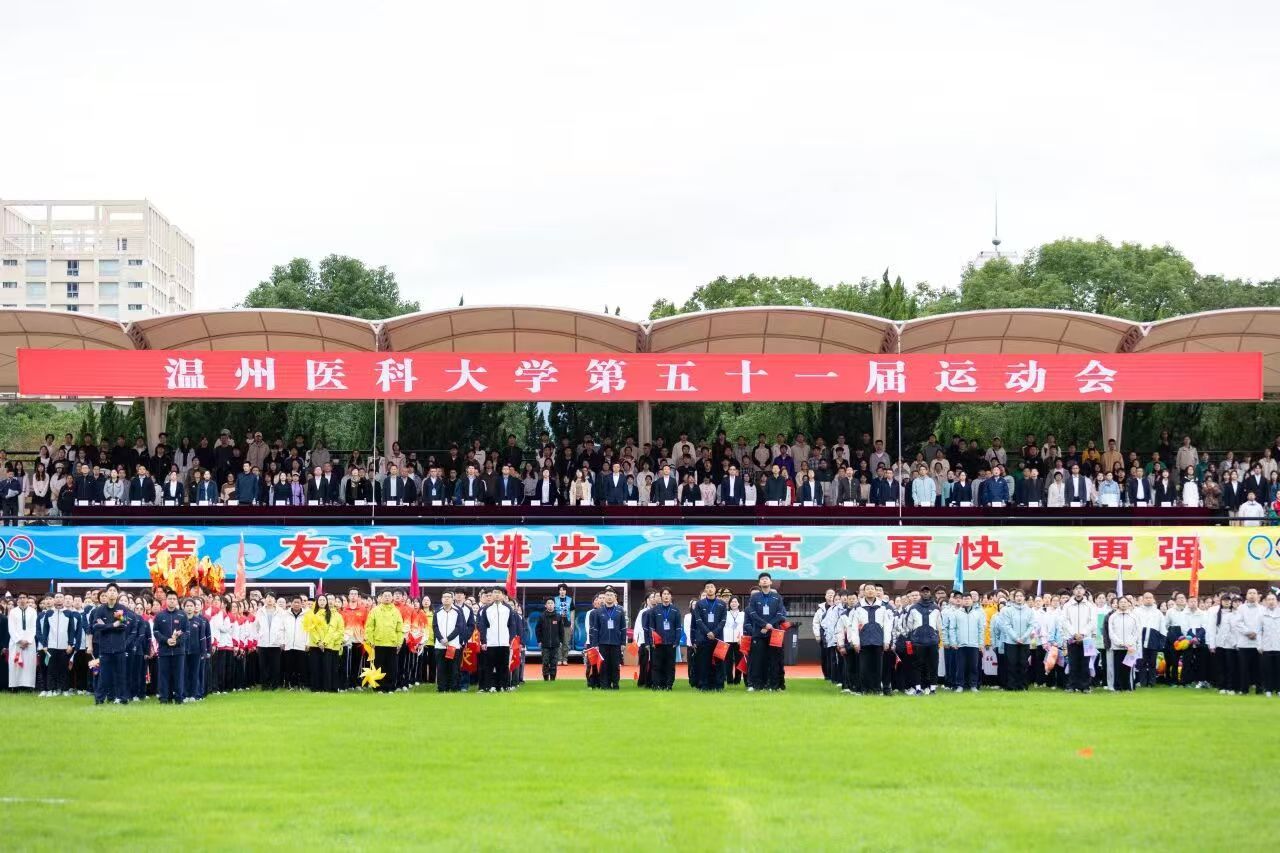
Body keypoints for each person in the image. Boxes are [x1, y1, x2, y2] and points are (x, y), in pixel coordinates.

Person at [88, 583, 134, 704]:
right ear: (106, 593)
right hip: (104, 648)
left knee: (121, 675)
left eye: (114, 591)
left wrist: (106, 626)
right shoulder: (100, 610)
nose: (112, 592)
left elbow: (123, 626)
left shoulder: (121, 609)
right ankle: (99, 699)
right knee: (103, 676)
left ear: (117, 594)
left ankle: (123, 698)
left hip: (119, 648)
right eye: (110, 590)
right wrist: (113, 625)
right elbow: (96, 626)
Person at [745, 572, 787, 691]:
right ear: (759, 583)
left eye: (766, 579)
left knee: (774, 660)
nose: (764, 580)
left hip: (773, 633)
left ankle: (773, 685)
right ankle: (756, 685)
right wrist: (764, 624)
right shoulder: (754, 597)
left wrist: (769, 625)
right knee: (757, 660)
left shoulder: (777, 597)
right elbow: (752, 613)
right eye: (762, 579)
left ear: (770, 582)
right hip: (759, 633)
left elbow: (780, 614)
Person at [35, 592, 82, 697]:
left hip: (64, 646)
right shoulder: (49, 613)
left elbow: (71, 630)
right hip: (51, 646)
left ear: (63, 599)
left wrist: (70, 644)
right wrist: (45, 644)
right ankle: (51, 689)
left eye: (61, 597)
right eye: (57, 597)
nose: (59, 599)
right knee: (51, 668)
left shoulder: (69, 613)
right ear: (54, 599)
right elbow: (45, 630)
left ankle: (64, 689)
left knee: (64, 669)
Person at [478, 588, 519, 692]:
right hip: (491, 642)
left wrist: (511, 640)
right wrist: (483, 641)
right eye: (495, 593)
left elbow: (512, 625)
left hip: (504, 642)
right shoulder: (486, 609)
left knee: (503, 666)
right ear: (492, 595)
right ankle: (488, 686)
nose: (496, 595)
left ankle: (503, 686)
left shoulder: (507, 608)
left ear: (502, 595)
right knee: (489, 666)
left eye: (499, 593)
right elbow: (483, 626)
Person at [365, 591, 405, 693]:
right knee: (378, 666)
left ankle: (390, 687)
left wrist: (399, 642)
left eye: (389, 596)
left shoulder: (396, 611)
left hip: (392, 643)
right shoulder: (375, 610)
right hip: (378, 643)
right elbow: (369, 627)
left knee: (391, 667)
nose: (387, 597)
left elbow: (400, 629)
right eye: (385, 596)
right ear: (381, 598)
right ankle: (378, 688)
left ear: (392, 598)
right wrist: (371, 641)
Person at [1060, 583, 1097, 693]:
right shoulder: (1067, 605)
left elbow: (1093, 621)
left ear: (1084, 590)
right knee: (1073, 663)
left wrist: (1083, 634)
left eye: (1081, 588)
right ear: (1073, 591)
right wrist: (1074, 633)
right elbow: (1065, 621)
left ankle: (1085, 686)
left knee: (1086, 663)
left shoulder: (1090, 605)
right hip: (1072, 638)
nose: (1078, 591)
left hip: (1087, 639)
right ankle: (1072, 686)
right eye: (1076, 588)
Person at [152, 592, 188, 704]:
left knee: (178, 676)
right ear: (166, 600)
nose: (172, 600)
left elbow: (186, 632)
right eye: (170, 598)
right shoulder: (159, 616)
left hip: (178, 651)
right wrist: (166, 640)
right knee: (163, 676)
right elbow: (156, 632)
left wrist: (177, 641)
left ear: (177, 601)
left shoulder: (182, 615)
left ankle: (179, 698)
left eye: (174, 599)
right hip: (164, 651)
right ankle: (164, 698)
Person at [692, 581, 728, 691]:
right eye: (707, 587)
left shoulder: (722, 604)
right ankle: (705, 685)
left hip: (718, 638)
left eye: (712, 587)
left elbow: (723, 621)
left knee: (719, 662)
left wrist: (714, 632)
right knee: (704, 662)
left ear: (715, 589)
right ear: (705, 590)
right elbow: (698, 621)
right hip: (703, 638)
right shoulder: (699, 604)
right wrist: (708, 632)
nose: (710, 589)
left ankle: (719, 685)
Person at [945, 591, 985, 691]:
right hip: (960, 645)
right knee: (960, 666)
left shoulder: (978, 613)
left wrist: (981, 643)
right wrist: (953, 642)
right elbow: (952, 628)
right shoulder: (956, 613)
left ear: (972, 600)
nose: (966, 601)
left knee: (973, 666)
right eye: (964, 599)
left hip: (974, 644)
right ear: (962, 601)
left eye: (968, 599)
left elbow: (981, 629)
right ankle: (960, 685)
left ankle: (973, 685)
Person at [905, 586, 940, 694]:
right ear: (920, 593)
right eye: (923, 592)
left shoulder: (935, 608)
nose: (925, 593)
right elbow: (908, 625)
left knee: (933, 665)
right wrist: (915, 634)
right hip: (918, 642)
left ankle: (932, 688)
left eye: (927, 592)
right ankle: (918, 688)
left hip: (932, 641)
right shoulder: (913, 608)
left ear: (930, 593)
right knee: (917, 666)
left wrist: (935, 635)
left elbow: (939, 625)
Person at [644, 588, 681, 690]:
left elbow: (678, 628)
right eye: (664, 594)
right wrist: (651, 641)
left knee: (670, 666)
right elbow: (651, 627)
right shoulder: (655, 610)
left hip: (671, 643)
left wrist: (676, 641)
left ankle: (668, 685)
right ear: (661, 596)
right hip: (658, 644)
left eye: (668, 594)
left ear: (671, 596)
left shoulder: (675, 610)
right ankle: (657, 684)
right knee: (657, 665)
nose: (666, 596)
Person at [588, 588, 625, 689]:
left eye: (611, 595)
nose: (609, 597)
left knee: (615, 665)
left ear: (615, 597)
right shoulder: (599, 612)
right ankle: (605, 685)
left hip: (616, 643)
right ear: (604, 598)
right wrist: (595, 644)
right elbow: (595, 629)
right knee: (604, 665)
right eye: (607, 595)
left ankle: (615, 684)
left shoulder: (620, 611)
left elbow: (623, 628)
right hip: (602, 643)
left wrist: (623, 643)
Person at [1106, 596, 1140, 691]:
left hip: (1130, 648)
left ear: (1129, 604)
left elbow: (1137, 631)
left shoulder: (1134, 616)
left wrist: (1130, 643)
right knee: (1117, 667)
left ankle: (1128, 687)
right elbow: (1111, 632)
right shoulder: (1113, 616)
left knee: (1128, 668)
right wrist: (1120, 643)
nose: (1123, 604)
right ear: (1118, 604)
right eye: (1121, 602)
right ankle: (1117, 687)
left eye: (1125, 602)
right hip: (1117, 647)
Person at [432, 591, 464, 692]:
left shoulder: (457, 612)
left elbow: (459, 627)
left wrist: (448, 639)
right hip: (440, 645)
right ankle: (442, 688)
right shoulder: (437, 612)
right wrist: (441, 639)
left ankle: (453, 688)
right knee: (441, 668)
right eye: (444, 597)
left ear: (452, 599)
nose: (446, 599)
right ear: (441, 599)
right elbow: (435, 627)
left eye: (449, 597)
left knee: (454, 668)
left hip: (453, 645)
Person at [7, 594, 37, 691]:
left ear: (27, 599)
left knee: (29, 664)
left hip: (29, 643)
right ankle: (15, 686)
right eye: (20, 598)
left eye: (24, 597)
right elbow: (11, 628)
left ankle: (28, 686)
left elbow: (34, 627)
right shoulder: (13, 612)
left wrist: (28, 640)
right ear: (18, 600)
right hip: (16, 643)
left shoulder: (33, 611)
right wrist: (19, 640)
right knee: (15, 663)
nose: (22, 599)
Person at [280, 596, 308, 689]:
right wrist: (282, 641)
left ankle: (300, 684)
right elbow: (281, 629)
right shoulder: (285, 614)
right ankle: (289, 684)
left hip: (301, 645)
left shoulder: (306, 615)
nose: (296, 604)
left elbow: (309, 630)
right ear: (291, 603)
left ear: (301, 604)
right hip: (288, 644)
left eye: (298, 602)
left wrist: (307, 643)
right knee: (289, 666)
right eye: (294, 602)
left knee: (301, 666)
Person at [536, 598, 564, 681]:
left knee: (554, 662)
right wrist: (539, 640)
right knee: (545, 662)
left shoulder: (558, 616)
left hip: (555, 643)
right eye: (548, 603)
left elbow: (561, 630)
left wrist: (561, 641)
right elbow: (537, 629)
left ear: (554, 605)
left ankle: (552, 678)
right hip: (545, 644)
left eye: (552, 603)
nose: (550, 604)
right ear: (545, 605)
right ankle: (545, 678)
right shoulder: (541, 616)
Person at [1259, 591, 1280, 697]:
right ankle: (1268, 689)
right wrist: (1259, 645)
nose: (1271, 602)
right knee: (1267, 669)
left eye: (1273, 599)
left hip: (1278, 646)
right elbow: (1259, 631)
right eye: (1269, 600)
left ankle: (1279, 689)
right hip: (1266, 646)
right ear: (1266, 602)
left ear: (1277, 601)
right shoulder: (1262, 615)